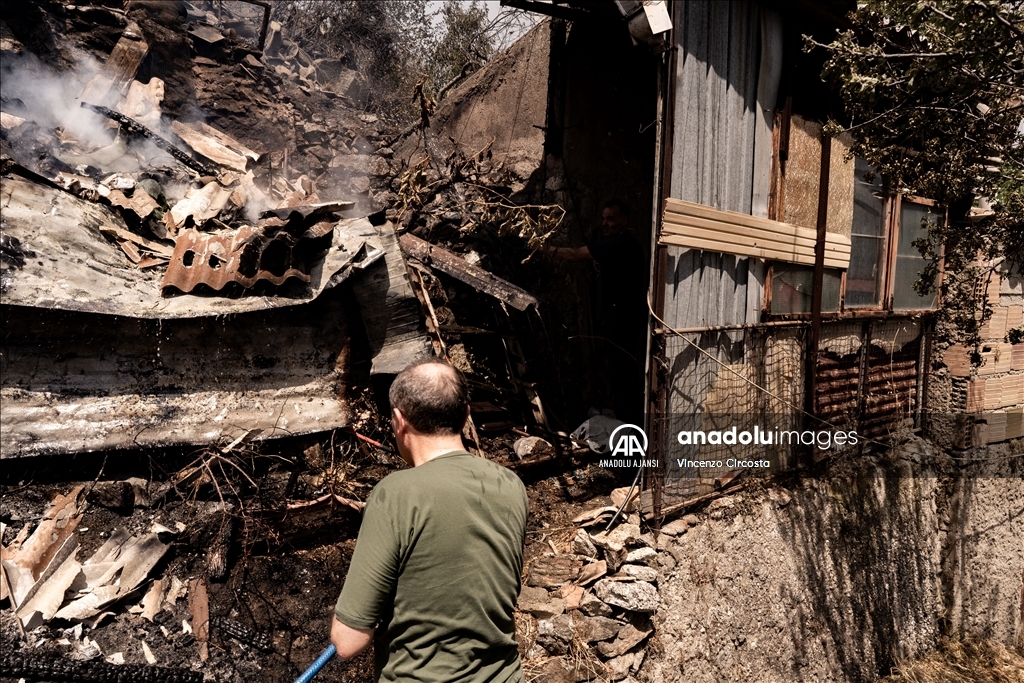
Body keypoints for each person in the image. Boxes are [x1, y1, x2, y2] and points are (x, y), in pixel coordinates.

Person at [330, 359, 529, 683]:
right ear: (466, 415)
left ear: (398, 421)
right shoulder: (510, 486)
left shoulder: (394, 495)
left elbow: (348, 642)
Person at [545, 199, 647, 423]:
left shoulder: (620, 245)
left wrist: (540, 247)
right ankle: (628, 421)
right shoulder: (621, 243)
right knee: (621, 372)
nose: (605, 223)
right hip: (621, 316)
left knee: (621, 373)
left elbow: (573, 254)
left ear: (624, 221)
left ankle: (629, 425)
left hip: (623, 318)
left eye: (610, 219)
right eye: (603, 218)